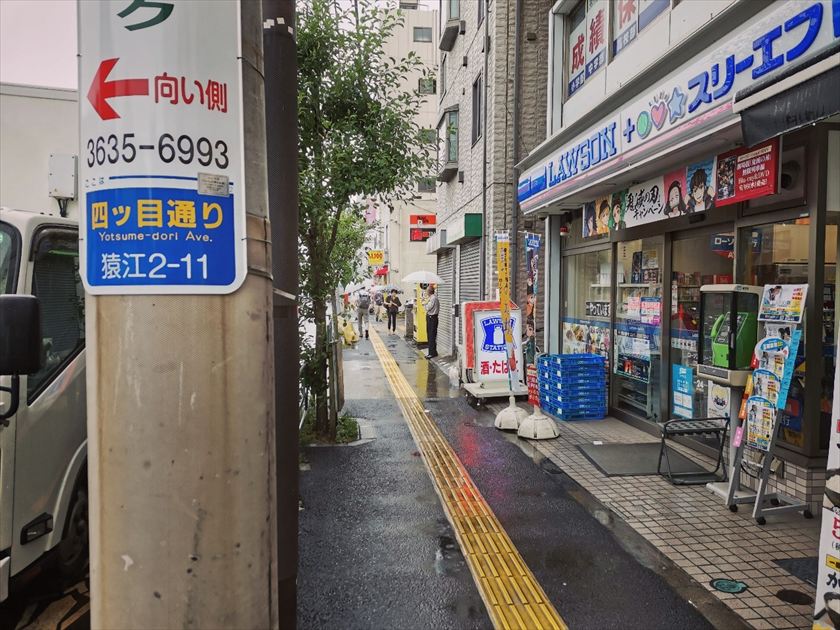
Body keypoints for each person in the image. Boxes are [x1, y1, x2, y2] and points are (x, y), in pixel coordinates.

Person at [423, 285, 439, 358]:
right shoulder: (431, 298)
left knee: (431, 336)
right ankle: (433, 352)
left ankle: (432, 353)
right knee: (430, 335)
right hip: (431, 318)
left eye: (427, 290)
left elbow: (428, 308)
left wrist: (424, 303)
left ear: (429, 291)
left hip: (432, 318)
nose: (426, 292)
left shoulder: (433, 298)